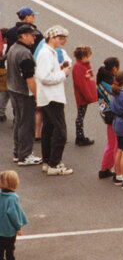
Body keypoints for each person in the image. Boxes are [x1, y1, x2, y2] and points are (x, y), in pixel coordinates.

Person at [35, 26, 72, 176]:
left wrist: (60, 68)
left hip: (49, 96)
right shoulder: (46, 53)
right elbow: (44, 77)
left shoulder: (49, 52)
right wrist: (63, 73)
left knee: (48, 128)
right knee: (60, 131)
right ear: (53, 38)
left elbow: (48, 72)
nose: (64, 41)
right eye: (61, 38)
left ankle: (47, 160)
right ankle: (54, 163)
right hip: (52, 97)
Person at [7, 25, 40, 167]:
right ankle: (25, 155)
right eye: (32, 35)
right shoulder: (24, 54)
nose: (34, 37)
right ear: (24, 36)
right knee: (27, 124)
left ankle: (17, 152)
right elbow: (29, 78)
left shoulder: (13, 48)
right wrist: (37, 95)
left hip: (13, 89)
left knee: (19, 122)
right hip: (24, 93)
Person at [0, 170, 28, 260]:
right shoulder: (12, 198)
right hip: (8, 230)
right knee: (10, 249)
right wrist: (18, 227)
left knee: (0, 247)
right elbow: (13, 214)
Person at [96, 57, 119, 179]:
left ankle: (105, 167)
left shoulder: (100, 80)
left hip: (106, 114)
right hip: (114, 115)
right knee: (117, 145)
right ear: (114, 68)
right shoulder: (110, 84)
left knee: (111, 143)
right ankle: (119, 171)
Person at [71, 45, 97, 147]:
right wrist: (89, 96)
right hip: (82, 96)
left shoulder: (84, 66)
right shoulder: (79, 67)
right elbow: (81, 84)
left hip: (84, 95)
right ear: (84, 56)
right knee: (80, 116)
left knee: (81, 115)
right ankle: (80, 137)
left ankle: (80, 136)